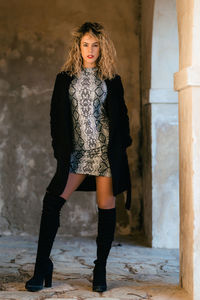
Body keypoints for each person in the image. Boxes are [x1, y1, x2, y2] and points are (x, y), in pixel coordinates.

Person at [25, 21, 132, 293]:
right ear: (78, 46)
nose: (90, 50)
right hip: (77, 152)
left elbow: (121, 116)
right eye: (85, 44)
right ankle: (41, 268)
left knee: (106, 208)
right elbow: (55, 116)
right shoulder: (65, 77)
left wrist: (120, 147)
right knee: (52, 203)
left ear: (102, 47)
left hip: (104, 152)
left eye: (95, 45)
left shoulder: (111, 79)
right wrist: (59, 149)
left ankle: (100, 269)